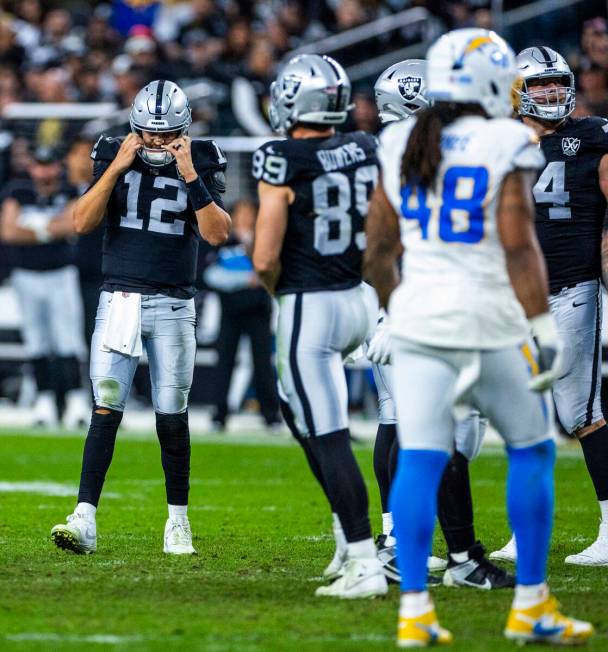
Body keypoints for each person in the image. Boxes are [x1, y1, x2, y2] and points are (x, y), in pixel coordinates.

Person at [364, 28, 593, 646]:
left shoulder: (399, 138)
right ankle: (530, 605)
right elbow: (519, 245)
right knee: (530, 448)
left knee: (420, 456)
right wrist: (541, 323)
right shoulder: (506, 138)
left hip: (418, 319)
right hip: (487, 315)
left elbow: (378, 252)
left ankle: (415, 612)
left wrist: (394, 309)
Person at [50, 79, 231, 555]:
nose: (155, 142)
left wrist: (191, 175)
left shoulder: (204, 156)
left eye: (165, 134)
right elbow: (82, 222)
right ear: (134, 129)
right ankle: (84, 517)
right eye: (148, 134)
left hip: (173, 302)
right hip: (120, 300)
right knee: (105, 407)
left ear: (183, 129)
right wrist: (113, 170)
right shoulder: (113, 151)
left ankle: (178, 522)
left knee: (172, 413)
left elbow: (218, 234)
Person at [367, 58, 513, 590]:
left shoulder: (461, 151)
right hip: (414, 302)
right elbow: (382, 245)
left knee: (449, 432)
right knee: (427, 426)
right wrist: (390, 309)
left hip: (449, 298)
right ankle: (429, 547)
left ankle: (431, 546)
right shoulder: (393, 154)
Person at [252, 54, 387, 599]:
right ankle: (346, 533)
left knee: (328, 433)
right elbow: (383, 233)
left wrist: (281, 297)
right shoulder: (367, 146)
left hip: (311, 303)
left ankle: (363, 559)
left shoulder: (280, 157)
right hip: (361, 296)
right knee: (297, 409)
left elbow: (264, 257)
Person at [492, 46, 608, 567]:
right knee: (526, 418)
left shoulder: (593, 137)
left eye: (555, 82)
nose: (550, 93)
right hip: (512, 299)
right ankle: (527, 531)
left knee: (581, 413)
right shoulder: (498, 145)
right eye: (538, 85)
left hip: (571, 288)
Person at [0, 144, 89, 430]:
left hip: (60, 274)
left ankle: (75, 401)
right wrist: (48, 229)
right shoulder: (18, 190)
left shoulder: (69, 189)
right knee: (37, 340)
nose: (44, 171)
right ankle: (44, 400)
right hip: (27, 275)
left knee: (68, 340)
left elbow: (73, 223)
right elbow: (9, 231)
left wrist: (34, 229)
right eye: (39, 165)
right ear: (31, 167)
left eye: (49, 165)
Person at [203, 199, 280, 431]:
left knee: (263, 364)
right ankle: (219, 414)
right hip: (231, 311)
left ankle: (271, 416)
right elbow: (210, 274)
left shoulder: (264, 239)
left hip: (259, 311)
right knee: (224, 362)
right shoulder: (222, 238)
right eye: (242, 212)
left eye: (250, 212)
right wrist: (245, 281)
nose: (246, 217)